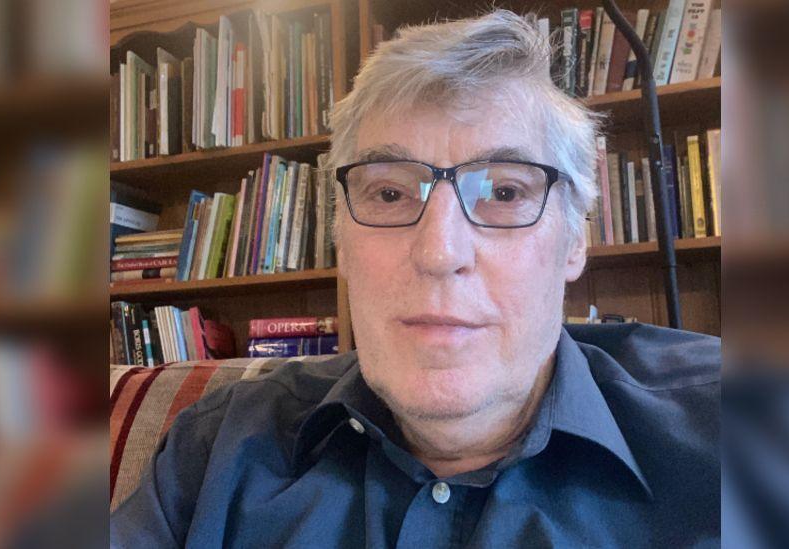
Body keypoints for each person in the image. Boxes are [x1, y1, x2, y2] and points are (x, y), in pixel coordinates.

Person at [111, 10, 720, 547]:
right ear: (341, 240)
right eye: (391, 192)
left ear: (574, 241)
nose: (439, 251)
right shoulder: (213, 449)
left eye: (505, 191)